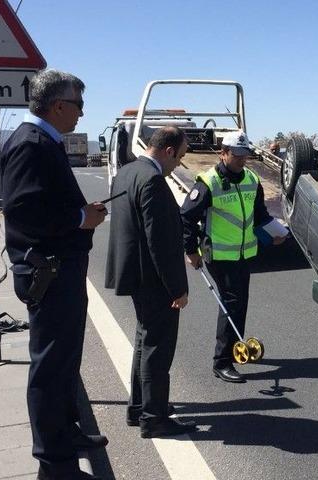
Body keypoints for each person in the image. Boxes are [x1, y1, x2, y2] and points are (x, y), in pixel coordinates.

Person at [1, 69, 107, 480]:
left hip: (60, 269)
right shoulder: (31, 143)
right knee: (49, 363)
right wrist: (82, 218)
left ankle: (66, 432)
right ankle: (52, 456)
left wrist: (82, 215)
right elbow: (27, 213)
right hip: (49, 270)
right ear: (58, 105)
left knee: (65, 360)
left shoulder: (45, 141)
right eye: (78, 105)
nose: (81, 114)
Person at [104, 126, 197, 438]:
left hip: (135, 273)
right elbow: (160, 242)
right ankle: (153, 418)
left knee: (145, 341)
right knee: (158, 347)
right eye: (180, 157)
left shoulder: (127, 172)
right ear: (169, 151)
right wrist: (178, 289)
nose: (179, 165)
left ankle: (140, 407)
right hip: (155, 279)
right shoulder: (154, 180)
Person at [180, 130, 288, 383]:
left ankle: (233, 349)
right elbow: (185, 218)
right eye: (237, 154)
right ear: (224, 153)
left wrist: (275, 234)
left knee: (240, 302)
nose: (242, 159)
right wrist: (190, 251)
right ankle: (222, 362)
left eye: (245, 154)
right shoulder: (208, 182)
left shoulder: (251, 179)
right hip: (218, 254)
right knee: (231, 303)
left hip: (244, 253)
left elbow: (259, 215)